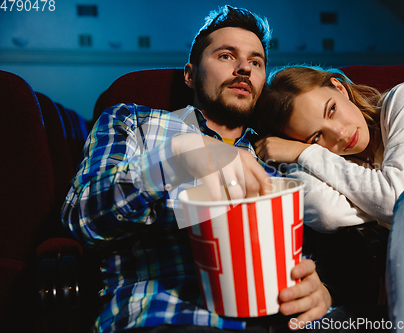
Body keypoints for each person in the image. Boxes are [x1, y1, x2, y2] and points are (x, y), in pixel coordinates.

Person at [62, 7, 333, 333]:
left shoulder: (276, 158)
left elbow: (308, 257)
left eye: (256, 62)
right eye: (225, 56)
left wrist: (320, 292)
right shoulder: (135, 122)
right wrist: (177, 160)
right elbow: (81, 218)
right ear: (190, 74)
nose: (244, 67)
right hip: (165, 316)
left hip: (269, 322)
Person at [254, 65, 404, 332]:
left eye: (332, 110)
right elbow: (327, 212)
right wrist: (301, 158)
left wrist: (308, 153)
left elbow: (397, 197)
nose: (339, 134)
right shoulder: (319, 166)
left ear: (339, 87)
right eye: (316, 137)